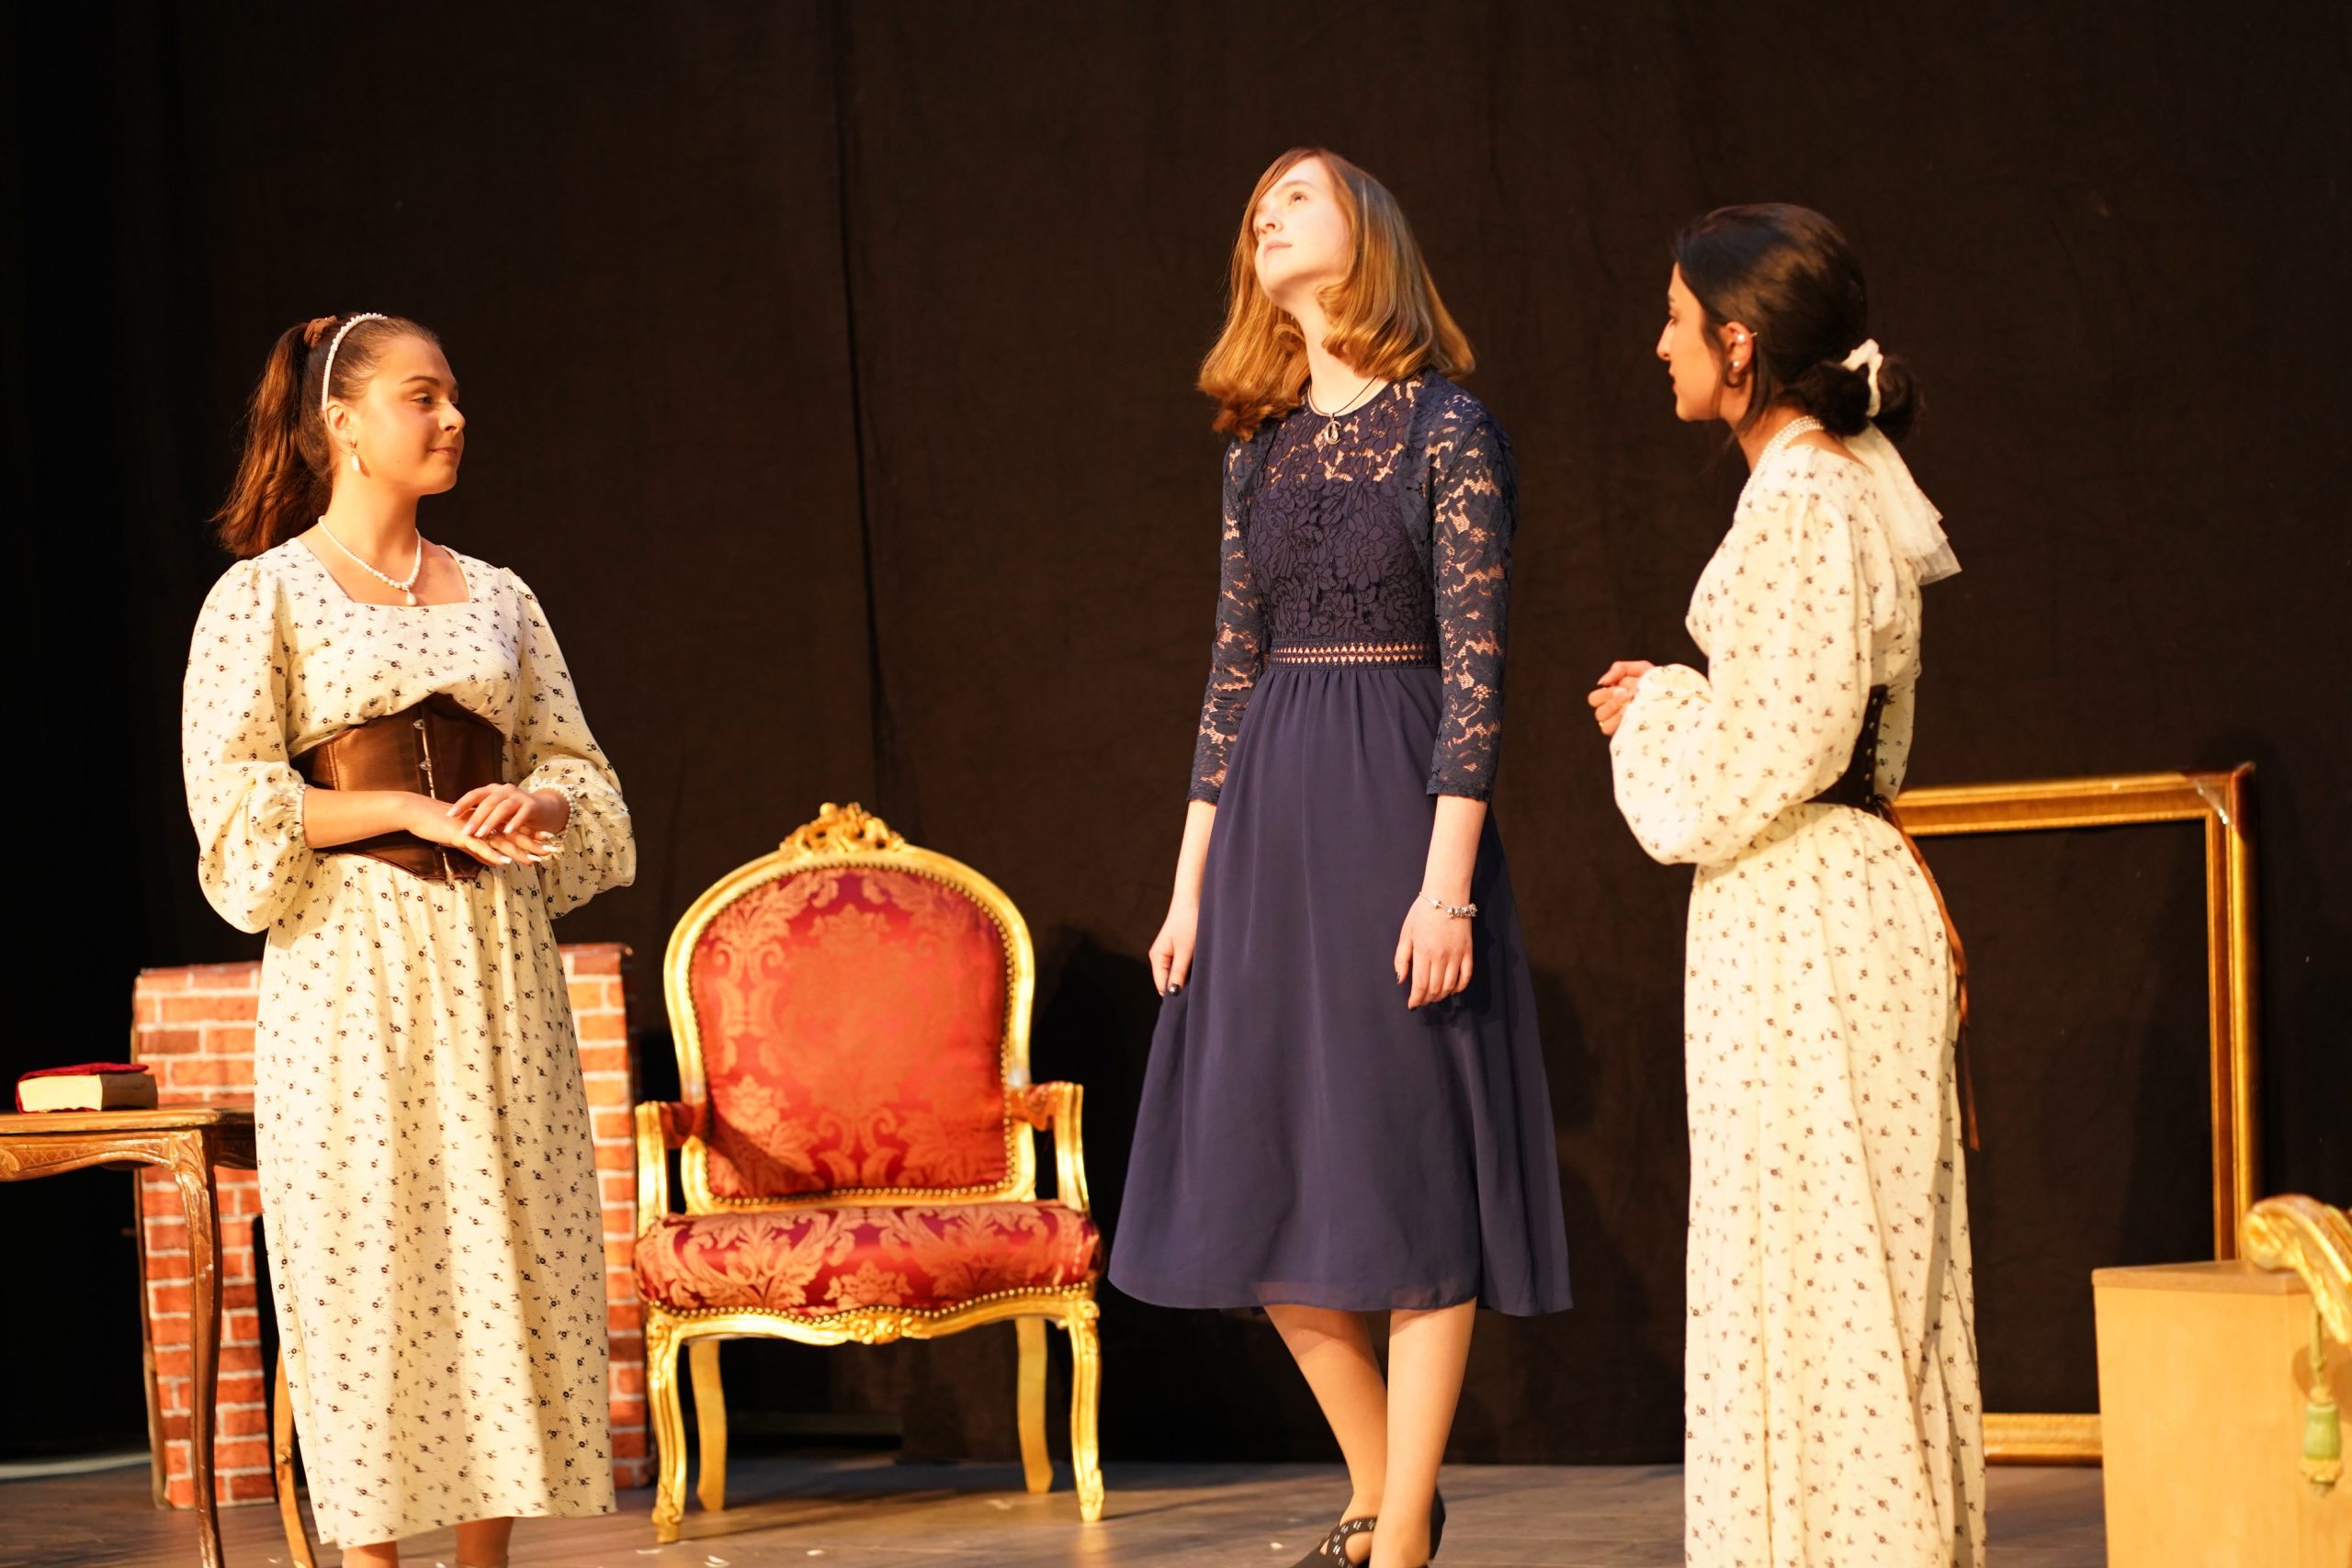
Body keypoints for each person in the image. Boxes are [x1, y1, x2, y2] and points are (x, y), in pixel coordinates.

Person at [1109, 149, 1572, 1568]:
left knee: (1411, 1175)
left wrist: (1446, 887)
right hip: (1268, 828)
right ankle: (1387, 1498)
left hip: (1396, 815)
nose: (1267, 217)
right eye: (1255, 209)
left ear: (1364, 232)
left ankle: (1400, 1530)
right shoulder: (1256, 451)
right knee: (1261, 1178)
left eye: (1295, 199)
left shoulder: (1447, 428)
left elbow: (1480, 673)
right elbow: (1228, 674)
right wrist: (1189, 888)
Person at [182, 311, 634, 1567]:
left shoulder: (503, 596)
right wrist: (401, 808)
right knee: (367, 1267)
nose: (451, 418)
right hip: (353, 963)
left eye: (452, 396)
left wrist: (538, 804)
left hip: (496, 963)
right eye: (422, 397)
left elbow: (585, 778)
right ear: (343, 422)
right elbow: (236, 811)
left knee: (505, 1249)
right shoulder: (263, 595)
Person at [1592, 204, 1984, 1566]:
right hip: (1818, 901)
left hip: (1808, 922)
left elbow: (1766, 760)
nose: (1661, 346)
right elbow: (1796, 719)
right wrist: (1689, 694)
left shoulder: (1809, 499)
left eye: (1677, 322)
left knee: (1827, 1274)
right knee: (1825, 1266)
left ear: (1740, 345)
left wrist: (1655, 717)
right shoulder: (1829, 486)